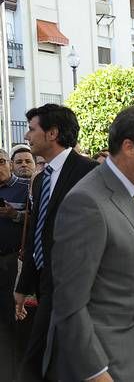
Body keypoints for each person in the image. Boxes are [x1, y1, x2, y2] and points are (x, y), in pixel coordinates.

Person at [43, 106, 134, 381]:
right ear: (129, 147)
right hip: (96, 367)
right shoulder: (86, 202)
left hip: (128, 359)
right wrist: (97, 373)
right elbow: (69, 303)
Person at [14, 104, 98, 381]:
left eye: (32, 129)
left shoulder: (90, 174)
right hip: (48, 285)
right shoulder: (40, 181)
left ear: (52, 133)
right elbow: (37, 233)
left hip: (81, 290)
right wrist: (24, 286)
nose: (27, 136)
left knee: (45, 360)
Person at [0, 149, 30, 381]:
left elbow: (34, 220)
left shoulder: (25, 186)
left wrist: (13, 214)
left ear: (8, 164)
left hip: (13, 261)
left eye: (1, 161)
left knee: (13, 317)